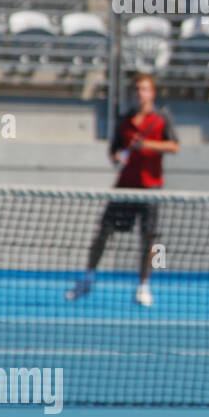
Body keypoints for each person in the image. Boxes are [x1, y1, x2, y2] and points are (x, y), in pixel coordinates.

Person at [65, 73, 179, 307]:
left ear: (152, 93)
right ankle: (88, 278)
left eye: (145, 89)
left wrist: (146, 144)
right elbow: (114, 151)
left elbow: (174, 146)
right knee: (103, 232)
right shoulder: (124, 120)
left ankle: (144, 286)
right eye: (137, 89)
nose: (140, 93)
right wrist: (118, 157)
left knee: (149, 239)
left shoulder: (161, 119)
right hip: (124, 188)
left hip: (151, 189)